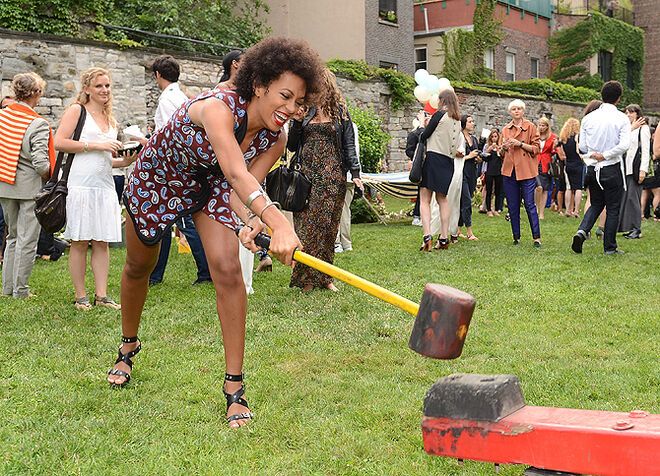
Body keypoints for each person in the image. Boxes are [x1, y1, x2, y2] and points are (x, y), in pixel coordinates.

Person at [106, 37, 325, 429]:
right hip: (158, 179)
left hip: (209, 188)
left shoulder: (276, 137)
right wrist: (277, 222)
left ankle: (234, 387)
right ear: (259, 85)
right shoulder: (217, 108)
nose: (291, 109)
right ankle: (128, 345)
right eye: (286, 96)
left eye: (299, 103)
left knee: (227, 269)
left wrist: (251, 222)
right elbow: (236, 171)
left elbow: (244, 188)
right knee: (140, 266)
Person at [54, 67, 137, 310]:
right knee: (80, 241)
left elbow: (105, 159)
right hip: (80, 184)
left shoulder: (110, 118)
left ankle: (101, 295)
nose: (104, 90)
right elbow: (59, 142)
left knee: (102, 241)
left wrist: (125, 161)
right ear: (87, 89)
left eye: (108, 85)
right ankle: (81, 296)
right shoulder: (77, 111)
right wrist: (96, 145)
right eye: (99, 86)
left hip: (104, 185)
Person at [288, 68, 362, 291]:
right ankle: (305, 279)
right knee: (306, 226)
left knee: (328, 227)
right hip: (307, 175)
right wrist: (298, 123)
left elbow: (348, 143)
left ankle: (325, 277)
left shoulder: (340, 110)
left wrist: (356, 173)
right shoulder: (303, 109)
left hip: (332, 175)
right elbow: (292, 145)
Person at [145, 55, 212, 286]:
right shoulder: (181, 97)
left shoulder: (166, 100)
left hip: (172, 168)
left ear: (157, 76)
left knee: (183, 222)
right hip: (184, 165)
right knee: (170, 222)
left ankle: (205, 273)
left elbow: (168, 135)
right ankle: (156, 274)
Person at [0, 73, 54, 298]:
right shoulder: (37, 123)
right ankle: (20, 290)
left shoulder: (2, 116)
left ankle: (7, 289)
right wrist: (52, 175)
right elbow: (41, 163)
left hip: (4, 184)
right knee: (27, 240)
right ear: (36, 94)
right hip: (29, 188)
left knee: (11, 238)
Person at [571, 81, 630, 255]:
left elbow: (582, 147)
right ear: (619, 98)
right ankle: (609, 247)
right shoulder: (621, 118)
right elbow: (625, 144)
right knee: (612, 207)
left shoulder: (588, 118)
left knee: (596, 203)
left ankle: (582, 231)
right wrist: (606, 154)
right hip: (611, 167)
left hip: (591, 167)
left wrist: (593, 153)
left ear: (602, 95)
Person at [417, 89, 463, 251]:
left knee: (424, 199)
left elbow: (424, 136)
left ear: (443, 100)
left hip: (433, 158)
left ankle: (427, 235)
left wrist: (423, 125)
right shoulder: (458, 121)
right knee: (443, 199)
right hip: (448, 162)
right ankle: (444, 238)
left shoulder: (439, 115)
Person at [501, 99, 542, 247]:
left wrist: (520, 144)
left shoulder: (531, 127)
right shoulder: (505, 129)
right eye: (514, 109)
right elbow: (500, 153)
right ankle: (516, 236)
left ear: (523, 111)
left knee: (530, 204)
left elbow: (537, 149)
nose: (517, 111)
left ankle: (536, 237)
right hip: (509, 171)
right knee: (512, 205)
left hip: (526, 171)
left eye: (519, 109)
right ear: (510, 112)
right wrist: (504, 147)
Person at [618, 104, 650, 239]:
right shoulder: (629, 128)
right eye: (627, 112)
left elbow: (645, 150)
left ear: (637, 114)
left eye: (631, 112)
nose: (628, 115)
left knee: (633, 198)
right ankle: (628, 226)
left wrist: (643, 169)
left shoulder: (644, 129)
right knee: (626, 198)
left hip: (636, 168)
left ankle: (636, 228)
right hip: (626, 167)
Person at [335, 121, 361, 253]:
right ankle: (346, 243)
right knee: (345, 209)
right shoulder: (353, 126)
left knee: (334, 209)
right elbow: (355, 151)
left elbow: (348, 149)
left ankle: (337, 242)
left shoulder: (337, 125)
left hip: (340, 172)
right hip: (351, 173)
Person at [457, 114, 480, 240]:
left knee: (464, 201)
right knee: (466, 201)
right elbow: (455, 157)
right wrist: (468, 157)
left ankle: (458, 229)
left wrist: (478, 158)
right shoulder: (459, 138)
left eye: (473, 121)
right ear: (464, 123)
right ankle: (469, 231)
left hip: (472, 172)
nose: (472, 123)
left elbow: (475, 154)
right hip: (462, 172)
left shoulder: (474, 139)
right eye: (470, 121)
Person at [557, 118, 584, 218]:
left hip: (568, 164)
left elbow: (562, 153)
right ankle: (576, 210)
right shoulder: (578, 137)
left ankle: (568, 210)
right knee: (578, 188)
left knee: (568, 188)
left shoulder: (564, 139)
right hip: (578, 163)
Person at [406, 110, 428, 226]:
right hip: (419, 164)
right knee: (421, 191)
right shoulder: (413, 134)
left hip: (429, 163)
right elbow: (409, 150)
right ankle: (417, 215)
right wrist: (416, 157)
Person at [535, 117, 557, 220]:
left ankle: (541, 212)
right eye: (540, 125)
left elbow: (555, 152)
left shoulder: (552, 137)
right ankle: (536, 208)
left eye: (544, 125)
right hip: (535, 163)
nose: (541, 127)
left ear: (547, 126)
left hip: (546, 165)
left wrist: (555, 146)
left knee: (545, 189)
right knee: (538, 187)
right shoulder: (534, 136)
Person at [482, 128, 503, 216]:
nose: (494, 138)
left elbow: (502, 157)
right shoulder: (487, 146)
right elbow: (483, 157)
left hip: (498, 171)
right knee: (489, 190)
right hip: (489, 170)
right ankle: (488, 209)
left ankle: (497, 208)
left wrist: (498, 150)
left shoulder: (500, 146)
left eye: (496, 137)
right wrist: (488, 150)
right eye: (492, 137)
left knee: (498, 190)